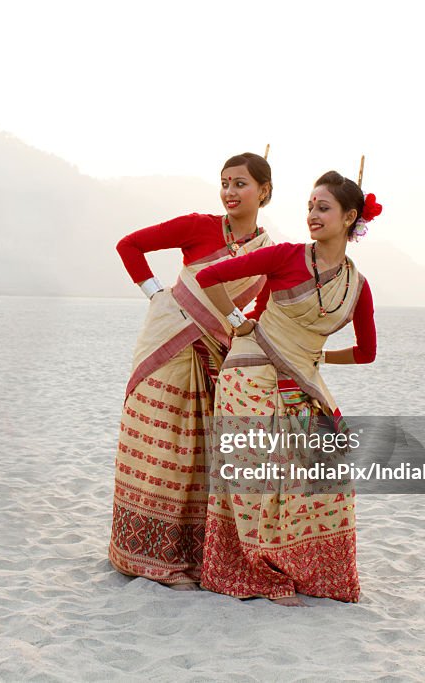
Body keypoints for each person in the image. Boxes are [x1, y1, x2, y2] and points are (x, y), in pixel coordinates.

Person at [194, 168, 382, 604]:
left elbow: (366, 352)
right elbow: (209, 277)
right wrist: (239, 321)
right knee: (260, 474)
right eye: (310, 207)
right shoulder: (284, 257)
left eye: (323, 208)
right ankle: (255, 570)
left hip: (302, 379)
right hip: (250, 371)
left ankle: (300, 567)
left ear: (349, 216)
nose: (312, 215)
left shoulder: (358, 287)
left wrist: (316, 358)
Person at [109, 153, 275, 588]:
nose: (229, 192)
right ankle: (141, 554)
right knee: (163, 446)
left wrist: (244, 331)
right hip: (169, 345)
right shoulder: (199, 226)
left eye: (240, 183)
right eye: (224, 183)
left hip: (215, 354)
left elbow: (261, 306)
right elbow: (129, 245)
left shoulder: (268, 253)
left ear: (264, 192)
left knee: (199, 454)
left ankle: (191, 553)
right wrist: (157, 295)